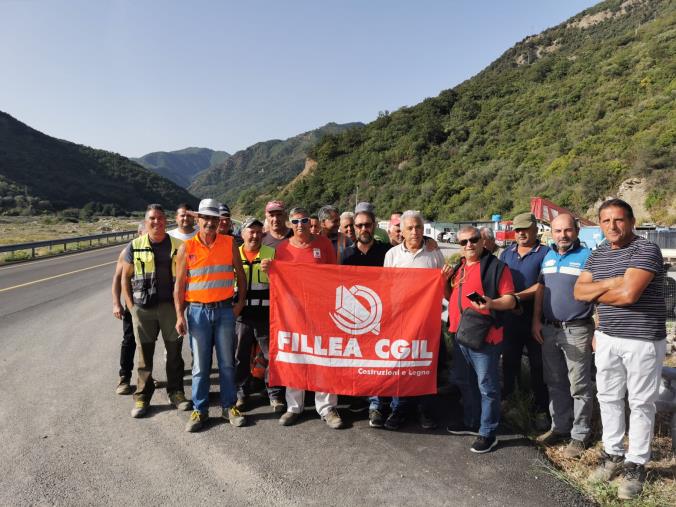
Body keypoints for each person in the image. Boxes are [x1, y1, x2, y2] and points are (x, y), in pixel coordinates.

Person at [574, 199, 666, 500]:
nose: (612, 227)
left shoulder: (646, 250)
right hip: (608, 337)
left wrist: (600, 289)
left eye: (618, 220)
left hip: (642, 340)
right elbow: (578, 292)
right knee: (609, 397)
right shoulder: (598, 252)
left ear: (631, 221)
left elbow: (629, 295)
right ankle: (612, 454)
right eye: (605, 221)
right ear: (599, 225)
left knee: (641, 403)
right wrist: (614, 281)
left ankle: (636, 463)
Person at [174, 199, 248, 432]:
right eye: (206, 218)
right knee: (200, 366)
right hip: (197, 312)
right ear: (198, 219)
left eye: (214, 219)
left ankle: (229, 406)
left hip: (225, 310)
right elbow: (179, 284)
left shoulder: (229, 243)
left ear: (219, 221)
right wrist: (179, 315)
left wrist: (239, 305)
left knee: (227, 363)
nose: (210, 222)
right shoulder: (187, 247)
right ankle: (200, 409)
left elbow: (241, 277)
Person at [268, 206, 344, 429]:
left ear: (310, 223)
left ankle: (327, 407)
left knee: (324, 357)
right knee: (296, 357)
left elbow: (334, 275)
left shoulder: (323, 245)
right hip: (293, 314)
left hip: (321, 311)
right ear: (290, 224)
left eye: (303, 221)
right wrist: (269, 269)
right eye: (295, 221)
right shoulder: (282, 249)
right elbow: (277, 280)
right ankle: (294, 406)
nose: (300, 225)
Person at [444, 226, 516, 453]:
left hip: (485, 337)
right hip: (460, 334)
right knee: (465, 381)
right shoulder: (460, 267)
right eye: (463, 242)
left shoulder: (497, 268)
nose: (468, 245)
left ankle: (488, 432)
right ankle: (472, 422)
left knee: (487, 386)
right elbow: (451, 297)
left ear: (483, 241)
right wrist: (446, 282)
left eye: (473, 240)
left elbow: (511, 301)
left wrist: (491, 303)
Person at [532, 214, 594, 459]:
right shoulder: (547, 257)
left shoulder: (588, 258)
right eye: (557, 231)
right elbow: (541, 290)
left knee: (579, 384)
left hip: (577, 329)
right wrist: (536, 320)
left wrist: (597, 330)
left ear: (577, 231)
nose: (562, 235)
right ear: (551, 233)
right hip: (549, 329)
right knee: (555, 381)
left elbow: (597, 295)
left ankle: (580, 436)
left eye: (567, 230)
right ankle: (559, 427)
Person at [121, 204, 190, 418]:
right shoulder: (135, 245)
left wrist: (182, 308)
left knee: (175, 354)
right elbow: (125, 277)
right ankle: (142, 396)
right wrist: (131, 308)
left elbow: (185, 279)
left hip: (170, 307)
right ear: (146, 221)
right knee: (144, 356)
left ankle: (176, 392)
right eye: (152, 218)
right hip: (143, 309)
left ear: (166, 220)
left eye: (160, 218)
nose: (157, 222)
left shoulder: (179, 245)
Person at [382, 210, 445, 431]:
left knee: (426, 365)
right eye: (410, 228)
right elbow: (386, 288)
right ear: (402, 231)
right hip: (400, 321)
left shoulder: (433, 253)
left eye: (419, 227)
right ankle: (399, 409)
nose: (415, 232)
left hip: (427, 321)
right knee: (401, 366)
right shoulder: (392, 255)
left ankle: (425, 410)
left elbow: (442, 287)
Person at [341, 202, 393, 427]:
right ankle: (358, 397)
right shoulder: (345, 255)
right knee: (355, 361)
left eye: (368, 225)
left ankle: (376, 405)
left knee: (376, 362)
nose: (364, 229)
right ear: (353, 227)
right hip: (352, 319)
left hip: (381, 317)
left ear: (374, 226)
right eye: (359, 225)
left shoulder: (386, 252)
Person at [499, 212, 550, 429]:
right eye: (517, 229)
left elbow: (541, 285)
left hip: (536, 320)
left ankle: (541, 410)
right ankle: (509, 402)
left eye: (525, 229)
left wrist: (516, 298)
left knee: (539, 367)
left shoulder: (546, 253)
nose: (521, 233)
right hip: (510, 320)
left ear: (535, 229)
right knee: (509, 364)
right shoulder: (506, 253)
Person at [233, 217, 285, 413]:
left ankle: (275, 394)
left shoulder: (272, 254)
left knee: (272, 356)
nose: (254, 235)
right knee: (240, 356)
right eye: (250, 231)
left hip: (266, 315)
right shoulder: (234, 254)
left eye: (258, 231)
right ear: (242, 233)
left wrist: (274, 272)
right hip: (242, 316)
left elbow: (284, 283)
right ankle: (241, 394)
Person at [111, 221, 145, 395]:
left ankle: (146, 376)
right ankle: (124, 377)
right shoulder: (128, 251)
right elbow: (117, 279)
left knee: (147, 343)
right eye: (144, 233)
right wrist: (117, 303)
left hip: (151, 305)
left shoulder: (155, 250)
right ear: (139, 233)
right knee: (129, 340)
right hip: (133, 305)